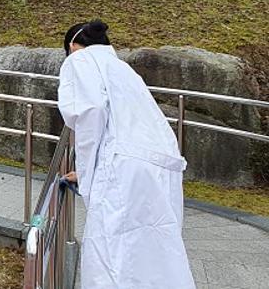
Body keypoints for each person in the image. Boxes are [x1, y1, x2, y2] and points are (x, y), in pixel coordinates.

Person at [57, 19, 194, 289]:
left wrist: (87, 175)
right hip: (159, 165)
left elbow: (90, 112)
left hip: (123, 169)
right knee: (159, 254)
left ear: (73, 45)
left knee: (111, 253)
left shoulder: (79, 60)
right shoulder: (122, 68)